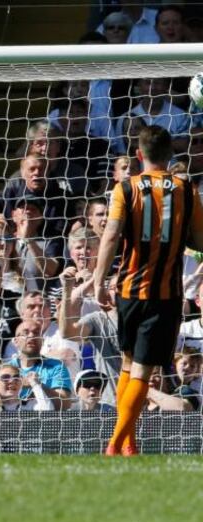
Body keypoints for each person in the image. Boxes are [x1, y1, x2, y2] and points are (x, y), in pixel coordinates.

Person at [93, 125, 203, 456]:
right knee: (142, 369)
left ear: (139, 155)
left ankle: (128, 443)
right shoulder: (186, 189)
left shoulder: (124, 189)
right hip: (164, 295)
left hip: (127, 290)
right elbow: (199, 239)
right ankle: (114, 443)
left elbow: (110, 236)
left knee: (129, 365)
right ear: (170, 156)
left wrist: (99, 280)